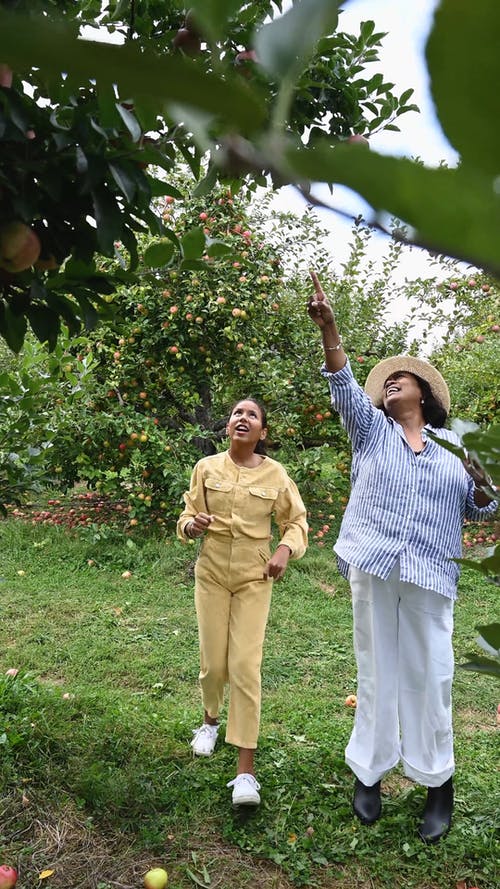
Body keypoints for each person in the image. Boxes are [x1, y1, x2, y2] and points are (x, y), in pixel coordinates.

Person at [307, 270, 497, 843]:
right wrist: (331, 327)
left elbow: (482, 509)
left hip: (431, 571)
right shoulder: (370, 431)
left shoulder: (450, 449)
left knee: (431, 674)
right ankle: (369, 771)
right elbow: (342, 381)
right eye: (386, 381)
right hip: (373, 560)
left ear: (425, 395)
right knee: (376, 667)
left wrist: (485, 483)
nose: (390, 384)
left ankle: (439, 782)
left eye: (401, 379)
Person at [177, 397, 308, 807]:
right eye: (237, 413)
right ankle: (210, 721)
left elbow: (296, 522)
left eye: (252, 415)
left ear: (262, 433)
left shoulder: (276, 474)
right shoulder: (207, 468)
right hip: (212, 573)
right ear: (228, 425)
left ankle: (245, 773)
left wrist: (284, 551)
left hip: (254, 577)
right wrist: (191, 525)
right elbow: (186, 517)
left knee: (245, 666)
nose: (243, 418)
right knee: (214, 663)